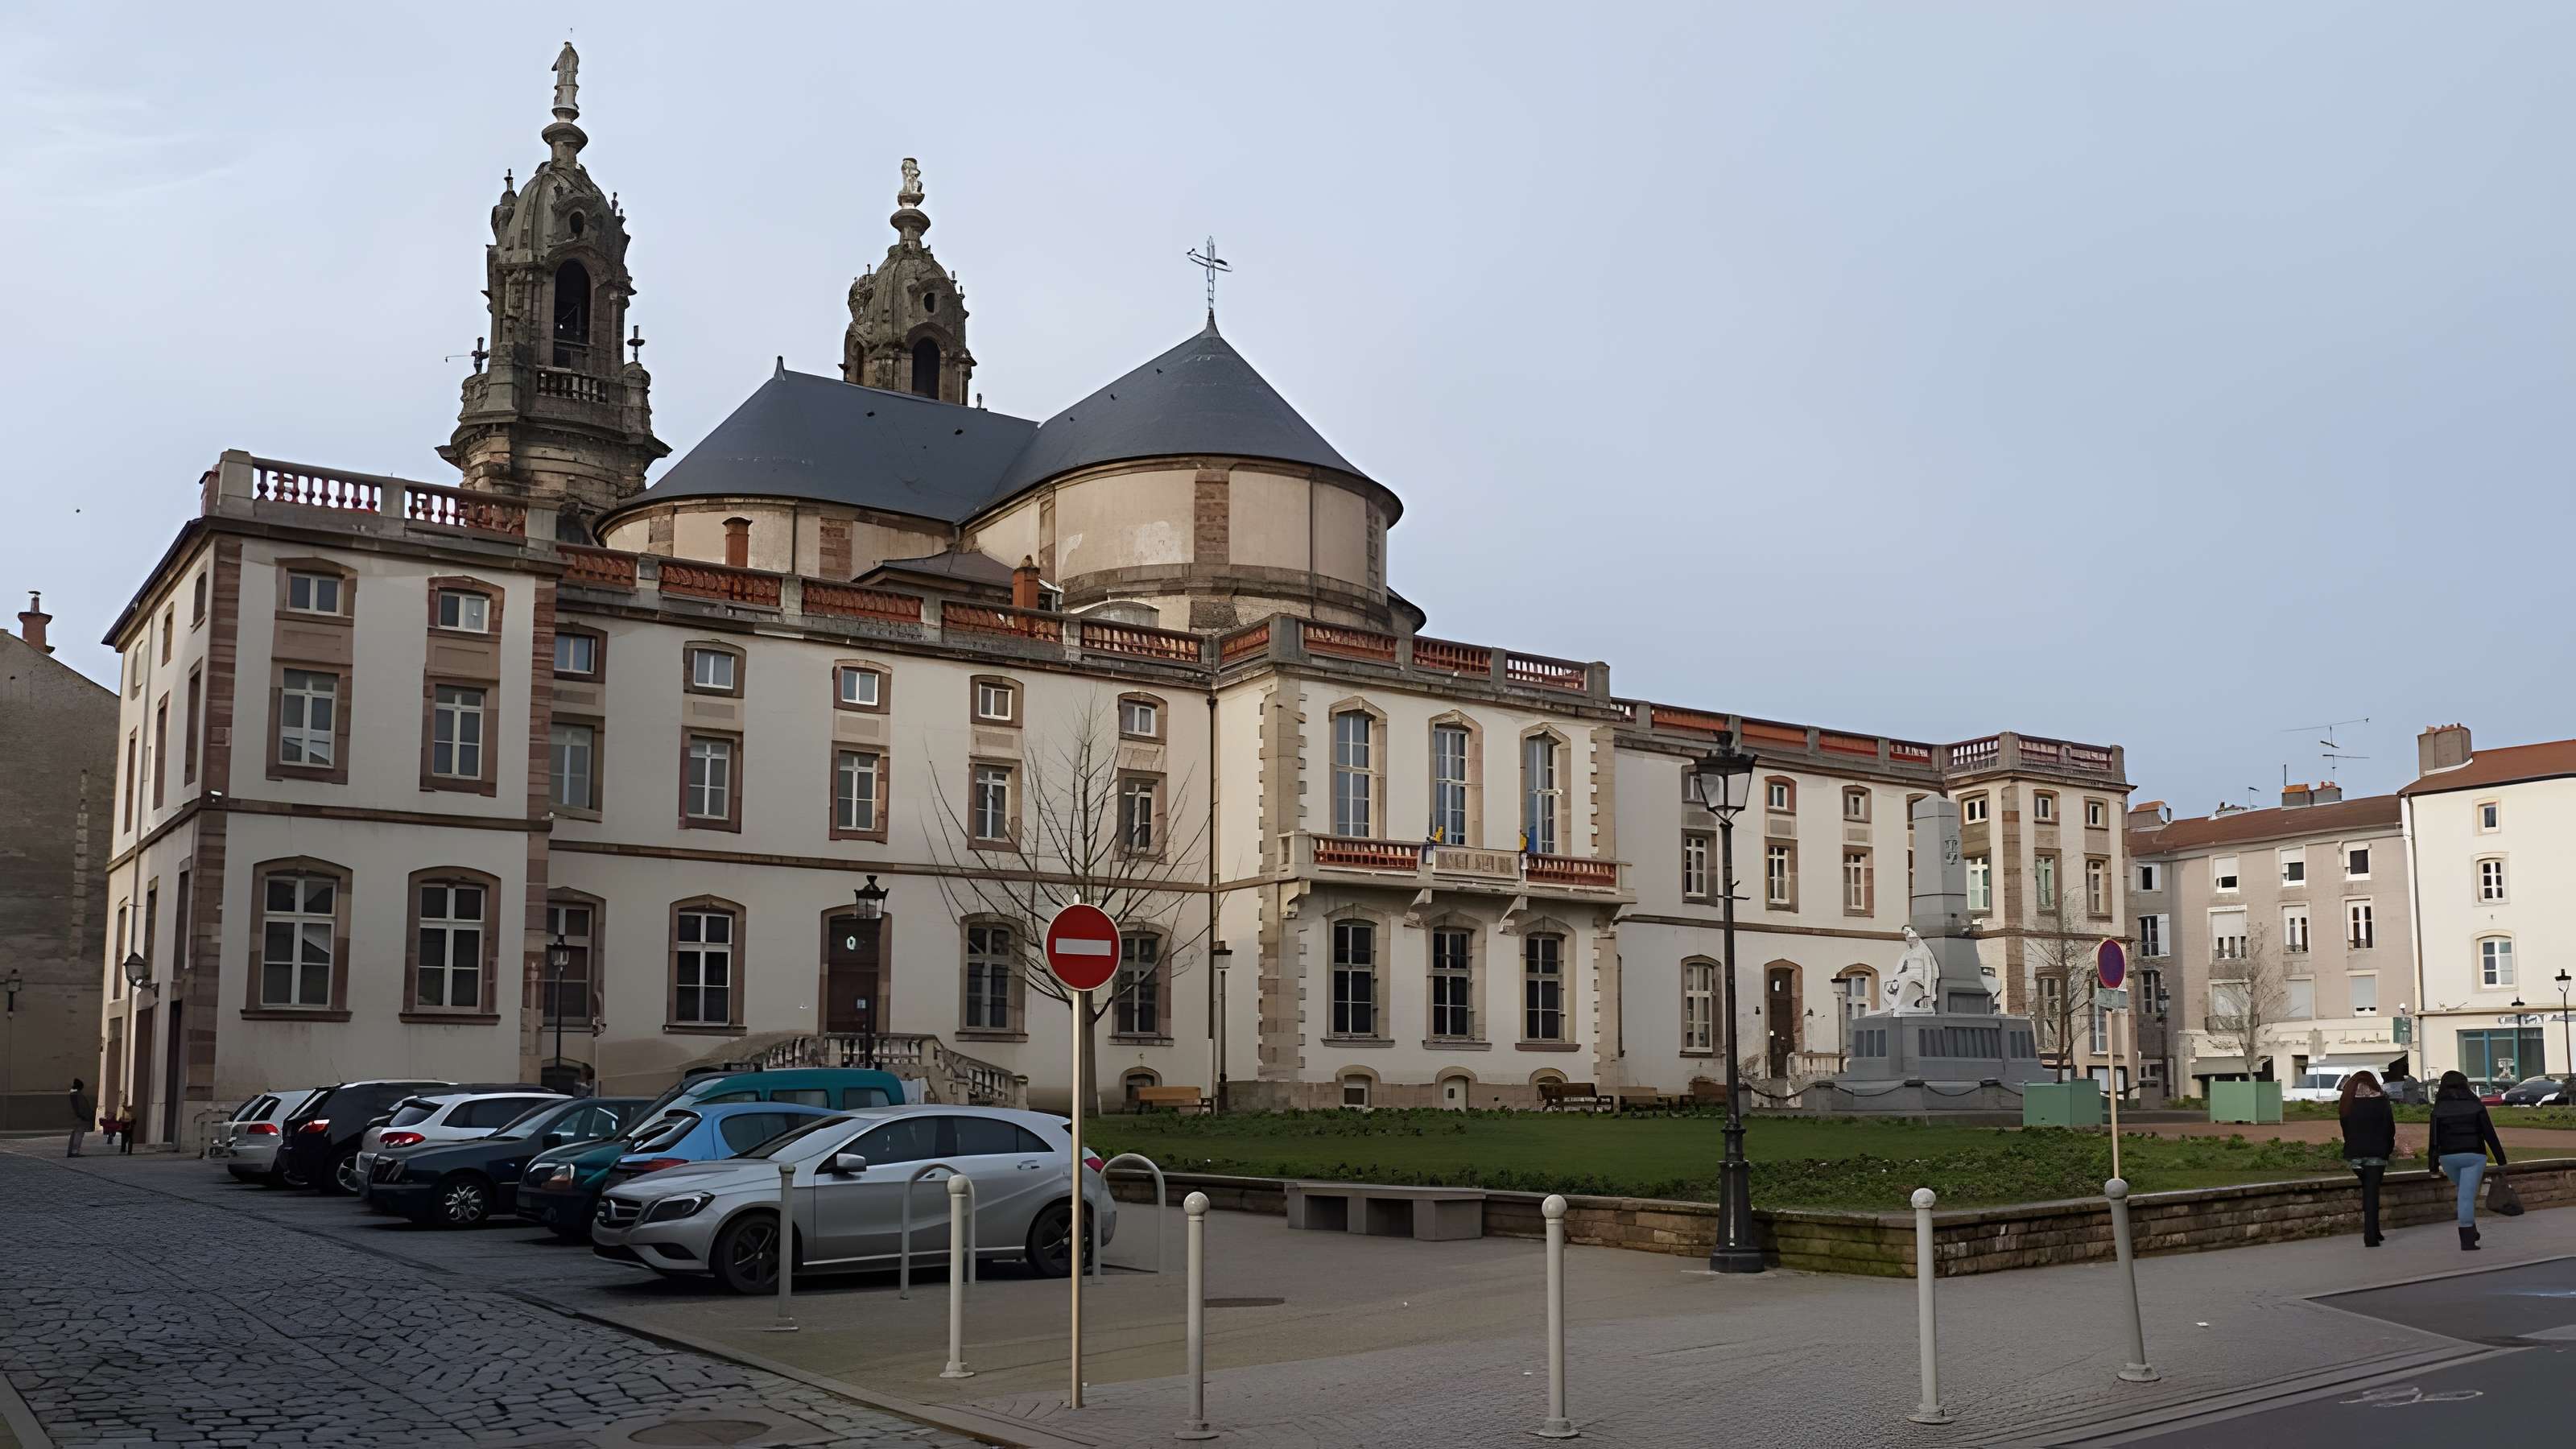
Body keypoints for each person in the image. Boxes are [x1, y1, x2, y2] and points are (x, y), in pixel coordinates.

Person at [2429, 1069, 2508, 1250]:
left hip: (2448, 1157)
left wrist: (2433, 1166)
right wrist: (2501, 1160)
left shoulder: (2438, 1109)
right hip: (2474, 1155)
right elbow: (2490, 1134)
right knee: (2466, 1196)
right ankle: (2467, 1237)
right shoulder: (2477, 1106)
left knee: (2464, 1193)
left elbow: (2433, 1140)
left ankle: (2471, 1232)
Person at [2338, 1070, 2396, 1246]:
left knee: (2368, 1191)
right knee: (2372, 1193)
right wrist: (2388, 1148)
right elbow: (2389, 1128)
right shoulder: (2381, 1101)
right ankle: (2370, 1236)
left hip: (2355, 1155)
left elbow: (2345, 1128)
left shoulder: (2347, 1102)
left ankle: (2375, 1231)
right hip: (2376, 1154)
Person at [67, 1078, 93, 1157]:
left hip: (79, 1117)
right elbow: (79, 1107)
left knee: (75, 1134)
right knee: (78, 1134)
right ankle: (74, 1152)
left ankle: (72, 1151)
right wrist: (83, 1116)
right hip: (80, 1118)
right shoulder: (76, 1095)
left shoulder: (75, 1094)